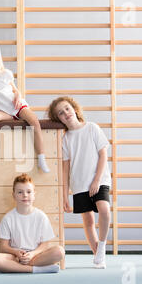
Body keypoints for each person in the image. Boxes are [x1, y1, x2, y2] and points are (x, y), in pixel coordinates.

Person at [47, 96, 111, 269]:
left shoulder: (92, 128)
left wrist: (96, 180)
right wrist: (64, 194)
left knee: (104, 211)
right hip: (79, 184)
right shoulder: (66, 139)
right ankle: (98, 254)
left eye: (67, 108)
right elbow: (65, 169)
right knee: (88, 221)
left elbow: (103, 154)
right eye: (60, 113)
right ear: (58, 118)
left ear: (74, 109)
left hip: (99, 180)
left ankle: (102, 247)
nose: (65, 113)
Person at [0, 42, 50, 172]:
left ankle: (41, 158)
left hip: (17, 106)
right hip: (2, 111)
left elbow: (15, 91)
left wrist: (19, 97)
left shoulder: (5, 73)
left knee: (34, 121)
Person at [0, 174, 65, 273]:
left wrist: (32, 254)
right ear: (14, 195)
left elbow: (45, 244)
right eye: (20, 192)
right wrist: (16, 252)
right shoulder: (8, 218)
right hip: (15, 257)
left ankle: (17, 267)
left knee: (59, 252)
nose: (25, 195)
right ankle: (35, 269)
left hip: (36, 255)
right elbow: (3, 247)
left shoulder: (41, 216)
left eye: (28, 192)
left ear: (34, 194)